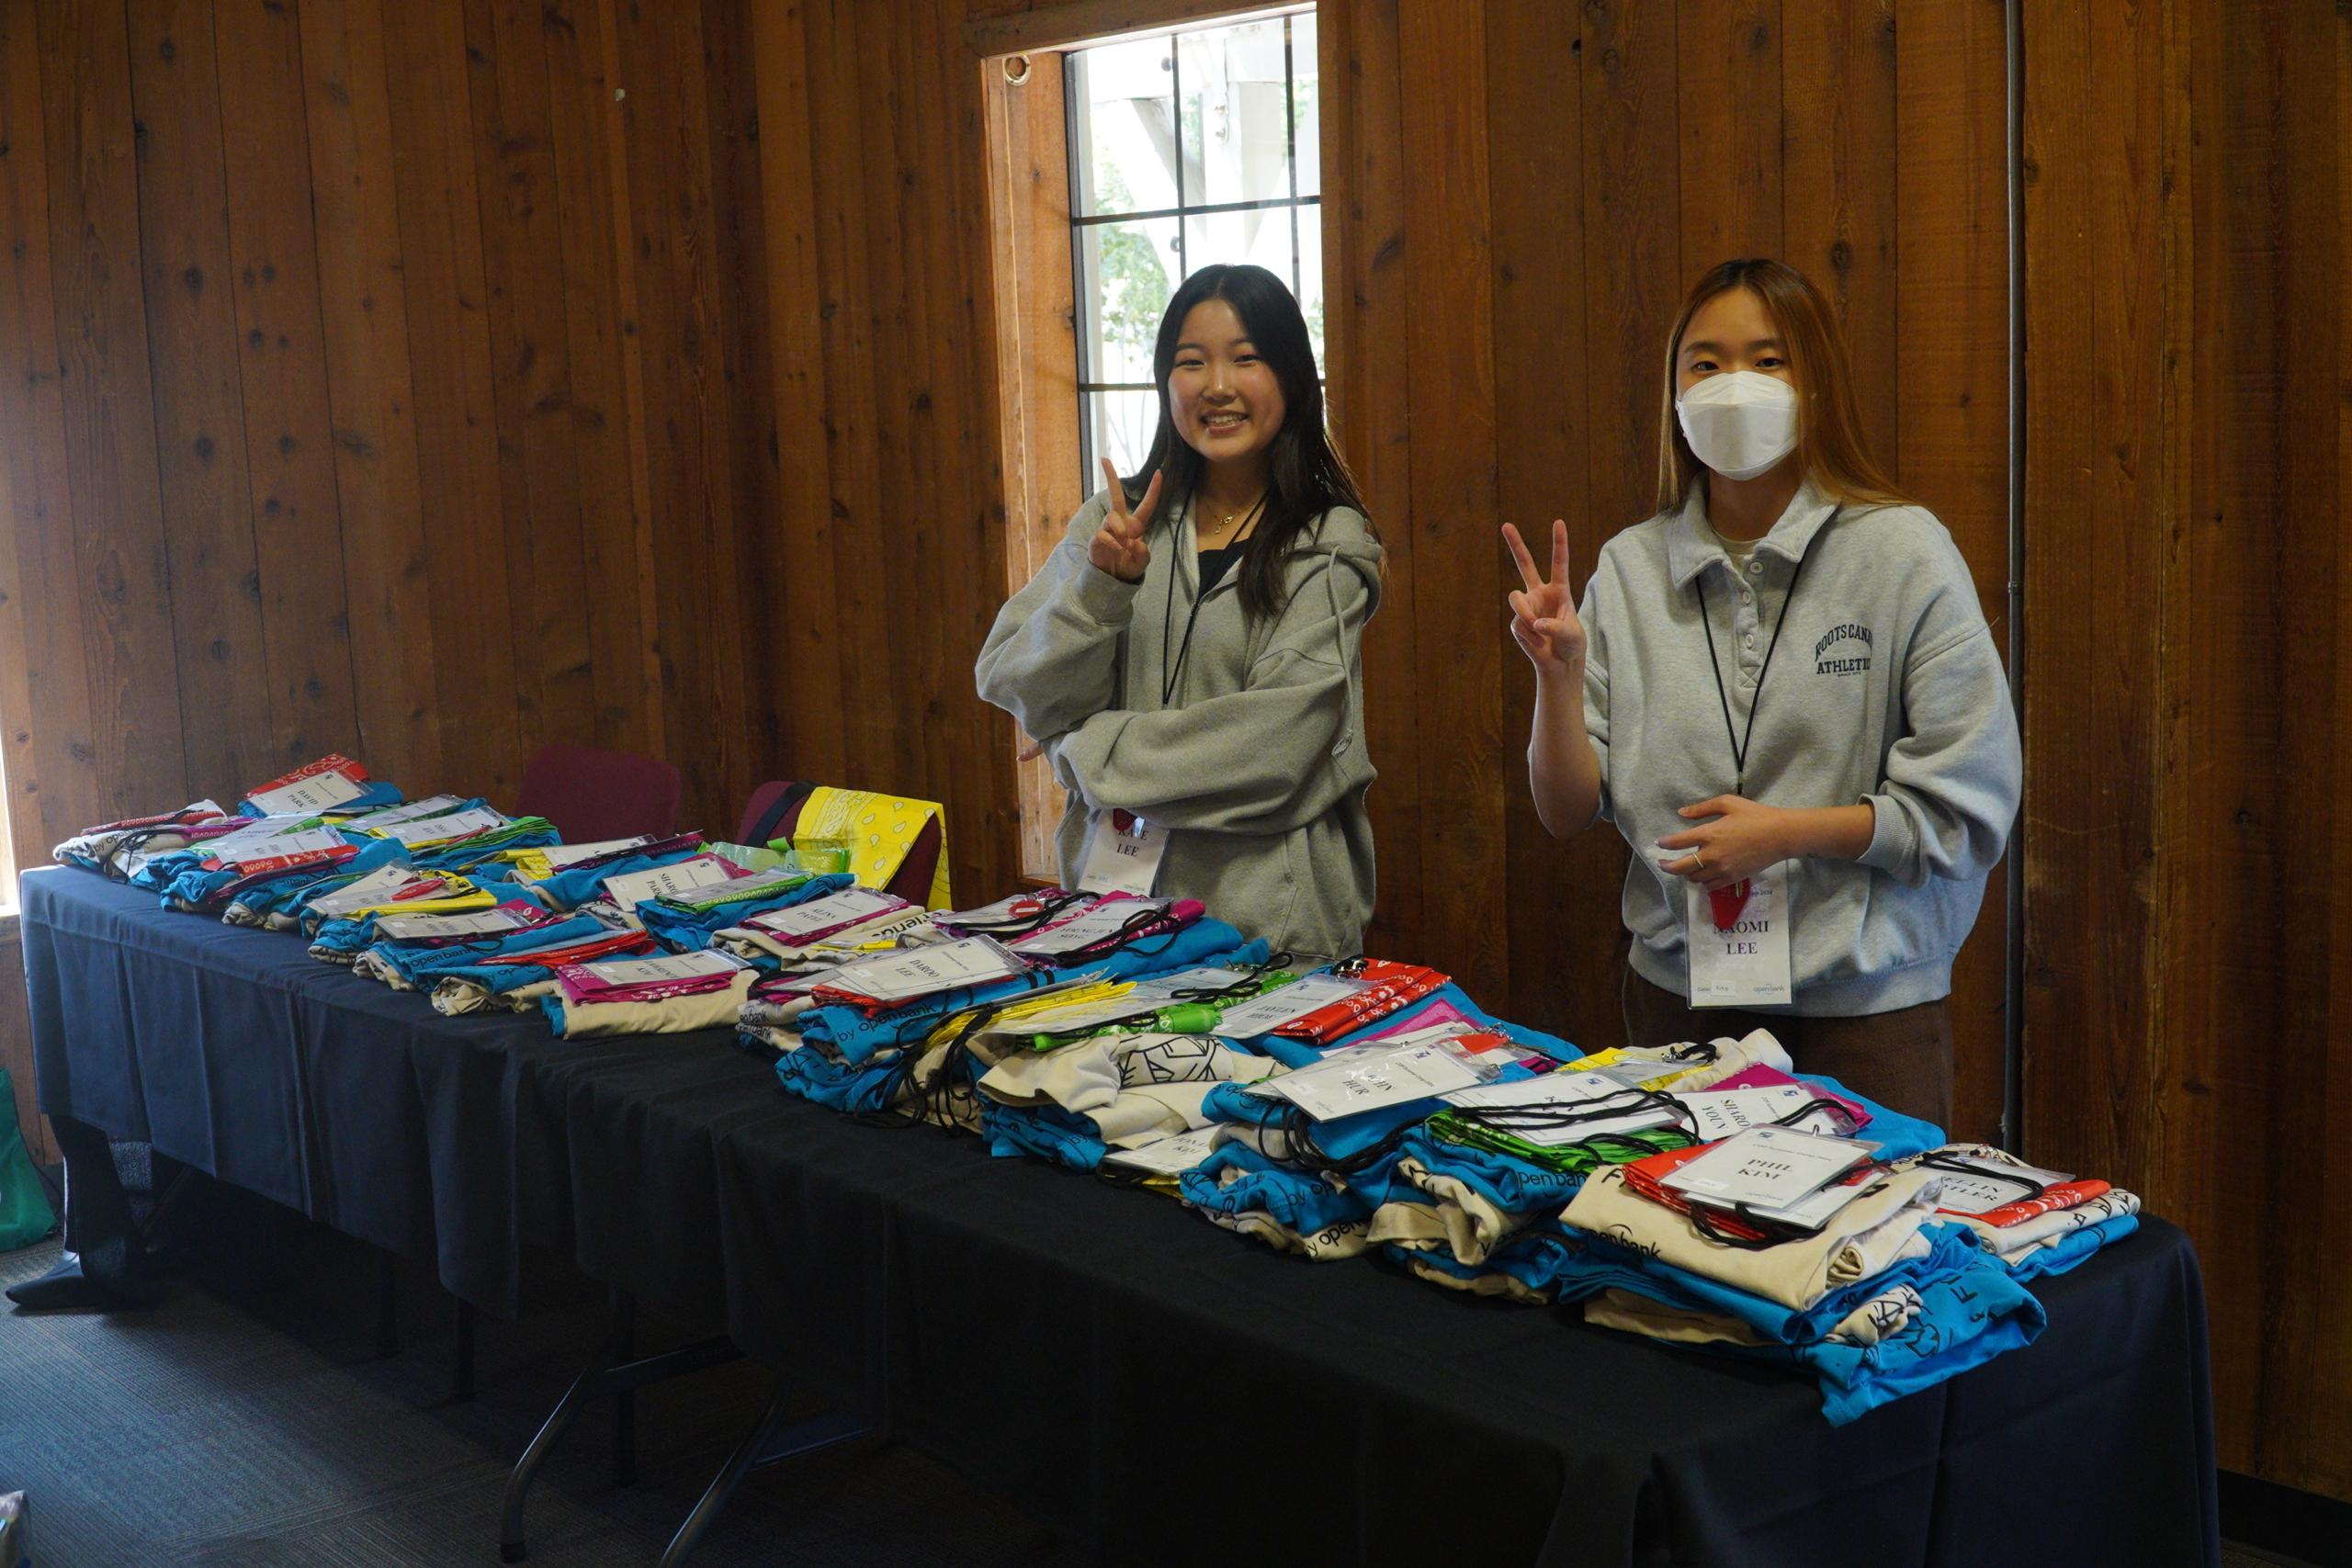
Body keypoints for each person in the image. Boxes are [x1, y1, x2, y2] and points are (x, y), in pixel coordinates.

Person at [1503, 257, 2019, 1127]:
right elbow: (1564, 810)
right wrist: (1555, 678)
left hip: (1867, 1016)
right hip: (1677, 1007)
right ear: (1674, 394)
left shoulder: (1903, 552)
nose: (1733, 384)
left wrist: (1785, 834)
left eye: (1767, 360)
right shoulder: (1629, 568)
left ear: (1815, 382)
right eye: (1705, 363)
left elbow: (1971, 806)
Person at [977, 264, 1382, 964]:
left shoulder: (1329, 542)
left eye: (1245, 358)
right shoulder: (1113, 523)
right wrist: (1102, 589)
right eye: (1192, 362)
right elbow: (1012, 678)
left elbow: (1275, 749)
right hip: (1108, 922)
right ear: (1167, 383)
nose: (1217, 385)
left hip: (1267, 934)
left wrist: (1083, 749)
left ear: (1291, 378)